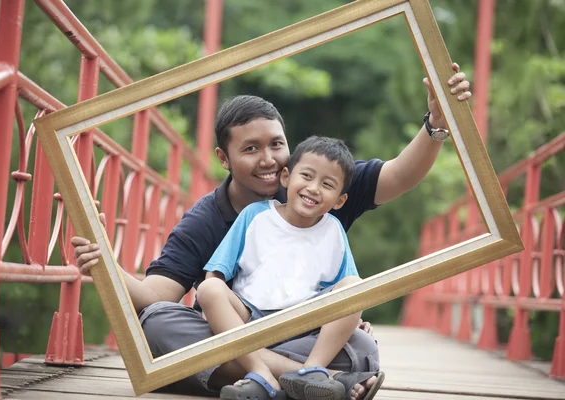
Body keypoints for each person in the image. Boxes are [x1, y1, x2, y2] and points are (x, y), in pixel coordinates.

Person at [72, 63, 471, 400]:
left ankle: (264, 378)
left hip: (301, 335)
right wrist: (104, 261)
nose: (267, 159)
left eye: (276, 144)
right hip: (240, 327)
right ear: (223, 158)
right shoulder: (207, 218)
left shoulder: (314, 186)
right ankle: (315, 384)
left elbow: (398, 175)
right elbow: (155, 297)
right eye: (250, 149)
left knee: (361, 346)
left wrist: (436, 123)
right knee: (156, 324)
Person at [197, 136, 384, 400]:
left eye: (327, 184)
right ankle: (260, 373)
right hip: (249, 317)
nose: (313, 188)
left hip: (304, 322)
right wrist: (215, 312)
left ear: (340, 200)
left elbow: (346, 290)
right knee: (209, 289)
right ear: (286, 177)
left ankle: (310, 374)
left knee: (357, 294)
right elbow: (216, 272)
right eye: (306, 176)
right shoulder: (255, 215)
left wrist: (357, 317)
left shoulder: (333, 231)